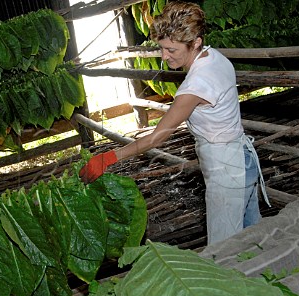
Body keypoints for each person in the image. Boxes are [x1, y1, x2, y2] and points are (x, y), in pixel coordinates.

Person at [79, 1, 270, 244]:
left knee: (224, 249)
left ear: (196, 42)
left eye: (171, 49)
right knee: (253, 238)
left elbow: (157, 137)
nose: (164, 56)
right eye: (161, 48)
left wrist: (109, 158)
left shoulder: (196, 85)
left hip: (228, 171)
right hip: (243, 159)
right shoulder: (215, 58)